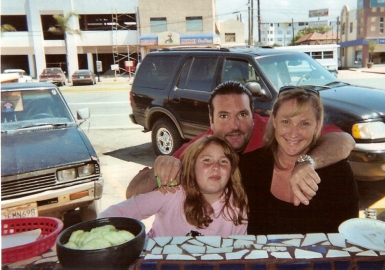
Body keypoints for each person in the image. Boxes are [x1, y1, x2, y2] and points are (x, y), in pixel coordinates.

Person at [126, 81, 355, 205]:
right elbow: (132, 192)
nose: (235, 125)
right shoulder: (201, 148)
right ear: (211, 121)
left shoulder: (275, 128)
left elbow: (344, 140)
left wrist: (308, 162)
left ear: (253, 114)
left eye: (242, 115)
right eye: (224, 116)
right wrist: (160, 169)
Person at [239, 86, 359, 235]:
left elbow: (347, 237)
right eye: (286, 122)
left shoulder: (338, 174)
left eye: (304, 123)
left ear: (316, 126)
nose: (294, 133)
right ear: (274, 122)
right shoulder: (250, 167)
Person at [99, 136, 248, 238]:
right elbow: (116, 213)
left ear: (232, 171)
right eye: (207, 160)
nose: (216, 167)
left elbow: (238, 252)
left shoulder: (237, 207)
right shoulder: (171, 193)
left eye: (223, 161)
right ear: (191, 167)